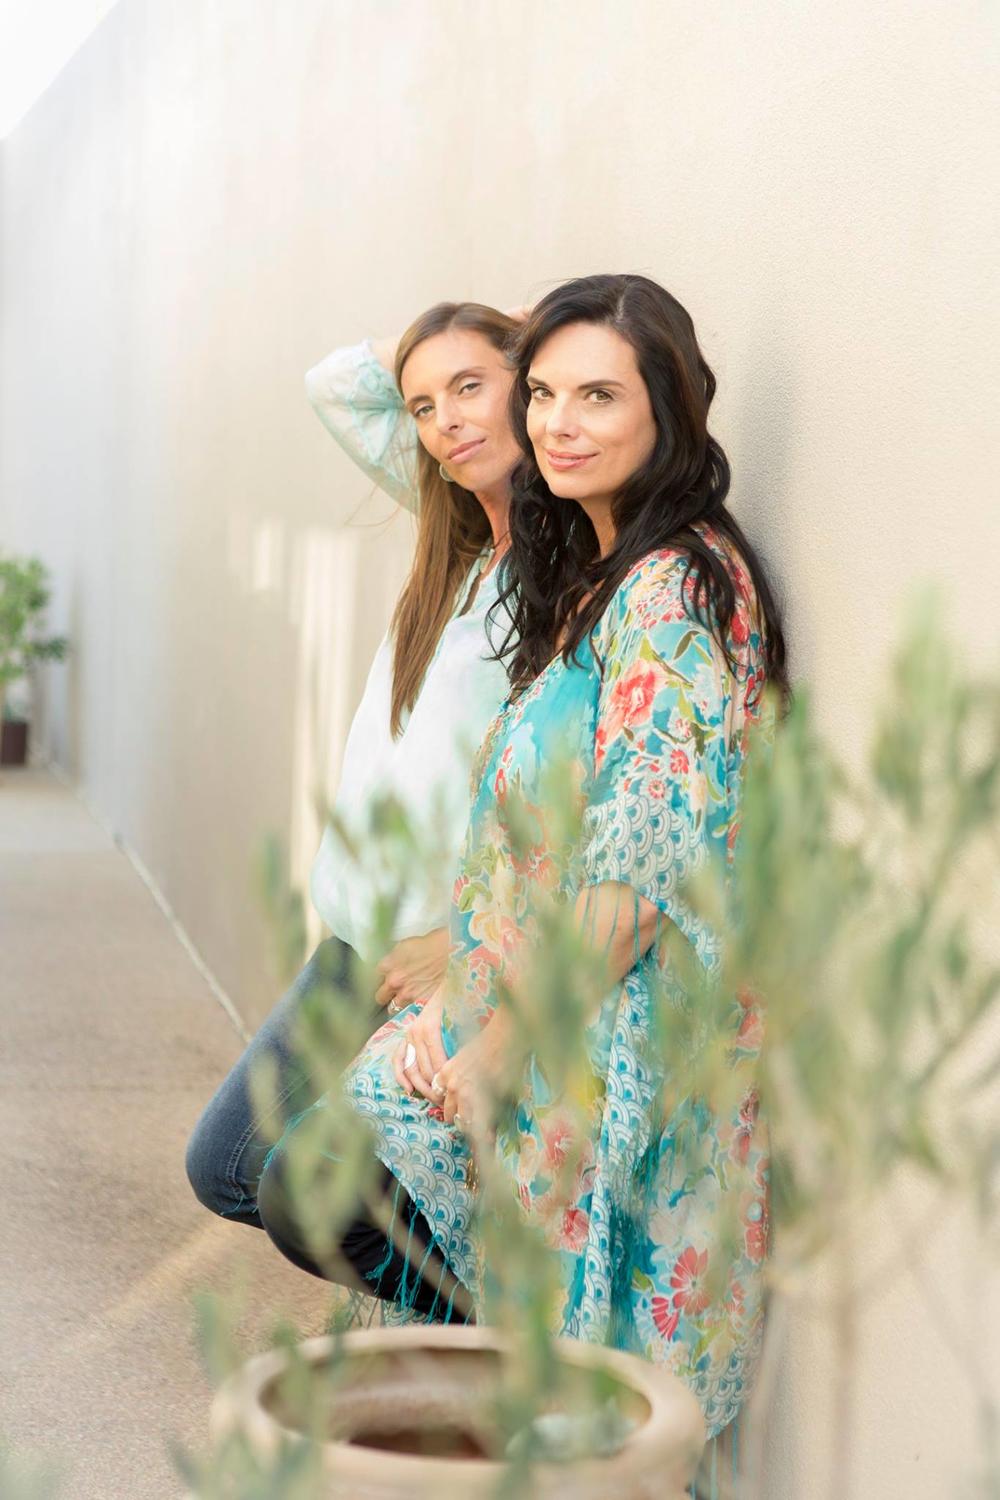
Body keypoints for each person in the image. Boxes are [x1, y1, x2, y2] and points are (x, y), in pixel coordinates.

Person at [256, 273, 788, 1484]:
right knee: (336, 1197)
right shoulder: (592, 573)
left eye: (598, 395)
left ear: (669, 407)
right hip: (528, 1004)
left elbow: (639, 872)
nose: (557, 423)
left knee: (580, 1388)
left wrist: (499, 1043)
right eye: (542, 393)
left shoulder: (674, 591)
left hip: (607, 1041)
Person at [185, 302, 525, 1243]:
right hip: (356, 940)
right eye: (422, 406)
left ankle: (498, 1311)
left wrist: (462, 946)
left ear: (528, 386)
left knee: (285, 1184)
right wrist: (452, 354)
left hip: (435, 953)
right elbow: (335, 385)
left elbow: (558, 794)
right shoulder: (461, 545)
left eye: (471, 386)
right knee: (226, 1165)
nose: (446, 422)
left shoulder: (562, 578)